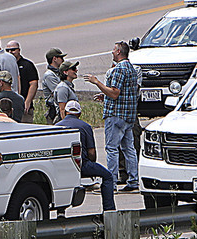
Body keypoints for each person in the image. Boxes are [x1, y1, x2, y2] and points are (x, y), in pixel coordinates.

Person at [85, 41, 140, 192]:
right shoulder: (132, 69)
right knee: (129, 149)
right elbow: (123, 93)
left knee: (112, 148)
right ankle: (133, 181)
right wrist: (105, 96)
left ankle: (111, 183)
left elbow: (115, 93)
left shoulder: (118, 70)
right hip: (129, 115)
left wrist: (97, 83)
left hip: (116, 115)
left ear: (118, 52)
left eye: (114, 50)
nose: (112, 52)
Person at [58, 100, 115, 211]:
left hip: (61, 167)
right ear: (79, 114)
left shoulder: (56, 126)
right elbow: (91, 153)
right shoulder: (85, 126)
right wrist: (91, 164)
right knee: (108, 176)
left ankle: (61, 213)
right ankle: (109, 211)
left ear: (65, 112)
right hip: (81, 166)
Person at [7, 40, 39, 117]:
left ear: (19, 50)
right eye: (8, 50)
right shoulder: (6, 65)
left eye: (13, 50)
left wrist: (27, 101)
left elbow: (33, 84)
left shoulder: (27, 65)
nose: (10, 52)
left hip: (24, 106)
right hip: (9, 107)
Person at [41, 47, 66, 123]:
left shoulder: (58, 73)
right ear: (54, 59)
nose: (63, 60)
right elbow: (59, 92)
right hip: (54, 110)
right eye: (61, 58)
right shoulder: (49, 75)